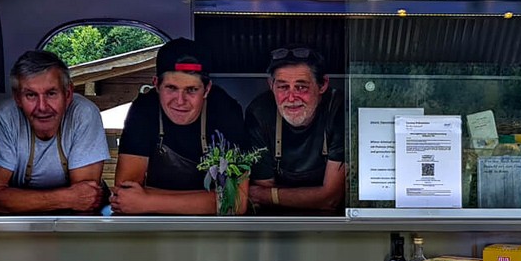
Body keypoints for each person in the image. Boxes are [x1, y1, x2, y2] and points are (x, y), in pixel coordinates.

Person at [110, 38, 248, 215]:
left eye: (191, 90)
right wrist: (210, 199)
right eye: (171, 88)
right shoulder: (143, 110)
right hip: (153, 224)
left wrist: (148, 200)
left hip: (214, 227)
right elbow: (124, 196)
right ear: (156, 85)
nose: (180, 101)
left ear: (207, 90)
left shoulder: (225, 110)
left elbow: (235, 202)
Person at [0, 50, 109, 214]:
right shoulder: (3, 118)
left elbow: (86, 200)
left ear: (68, 94)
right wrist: (66, 198)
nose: (42, 107)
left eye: (51, 93)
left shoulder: (84, 114)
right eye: (31, 95)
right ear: (18, 98)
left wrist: (18, 200)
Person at [246, 46, 345, 214]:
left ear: (323, 85)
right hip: (279, 222)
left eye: (301, 87)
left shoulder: (339, 110)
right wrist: (316, 196)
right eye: (283, 87)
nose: (291, 98)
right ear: (271, 85)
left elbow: (331, 199)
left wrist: (269, 195)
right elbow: (263, 199)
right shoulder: (259, 114)